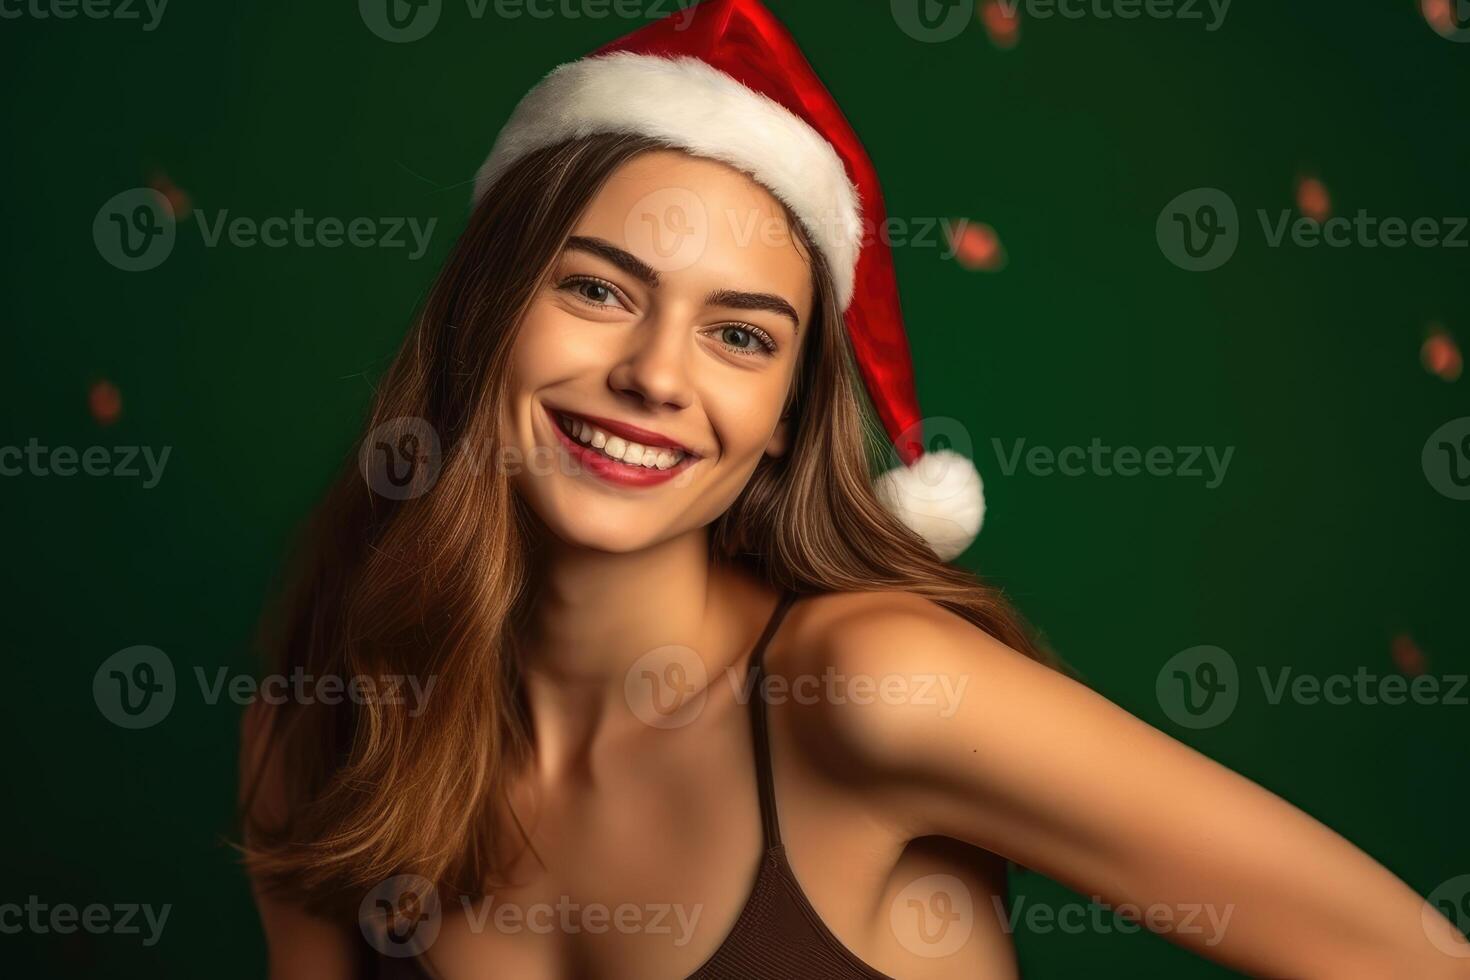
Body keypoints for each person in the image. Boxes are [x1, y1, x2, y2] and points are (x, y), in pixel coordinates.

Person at [238, 1, 1470, 977]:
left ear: (780, 425)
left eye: (741, 336)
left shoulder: (871, 688)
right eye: (599, 289)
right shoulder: (330, 718)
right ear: (481, 319)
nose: (655, 375)